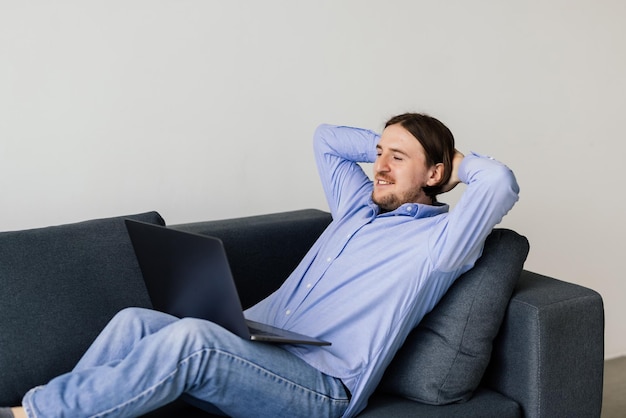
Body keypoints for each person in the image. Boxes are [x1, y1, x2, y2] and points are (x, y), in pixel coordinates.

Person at [2, 112, 518, 418]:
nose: (379, 165)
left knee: (192, 341)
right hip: (261, 351)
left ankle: (37, 415)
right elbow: (327, 139)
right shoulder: (357, 208)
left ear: (435, 173)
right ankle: (50, 410)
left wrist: (449, 162)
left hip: (321, 389)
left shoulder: (442, 241)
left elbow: (498, 183)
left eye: (397, 158)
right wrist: (396, 147)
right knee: (134, 320)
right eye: (378, 153)